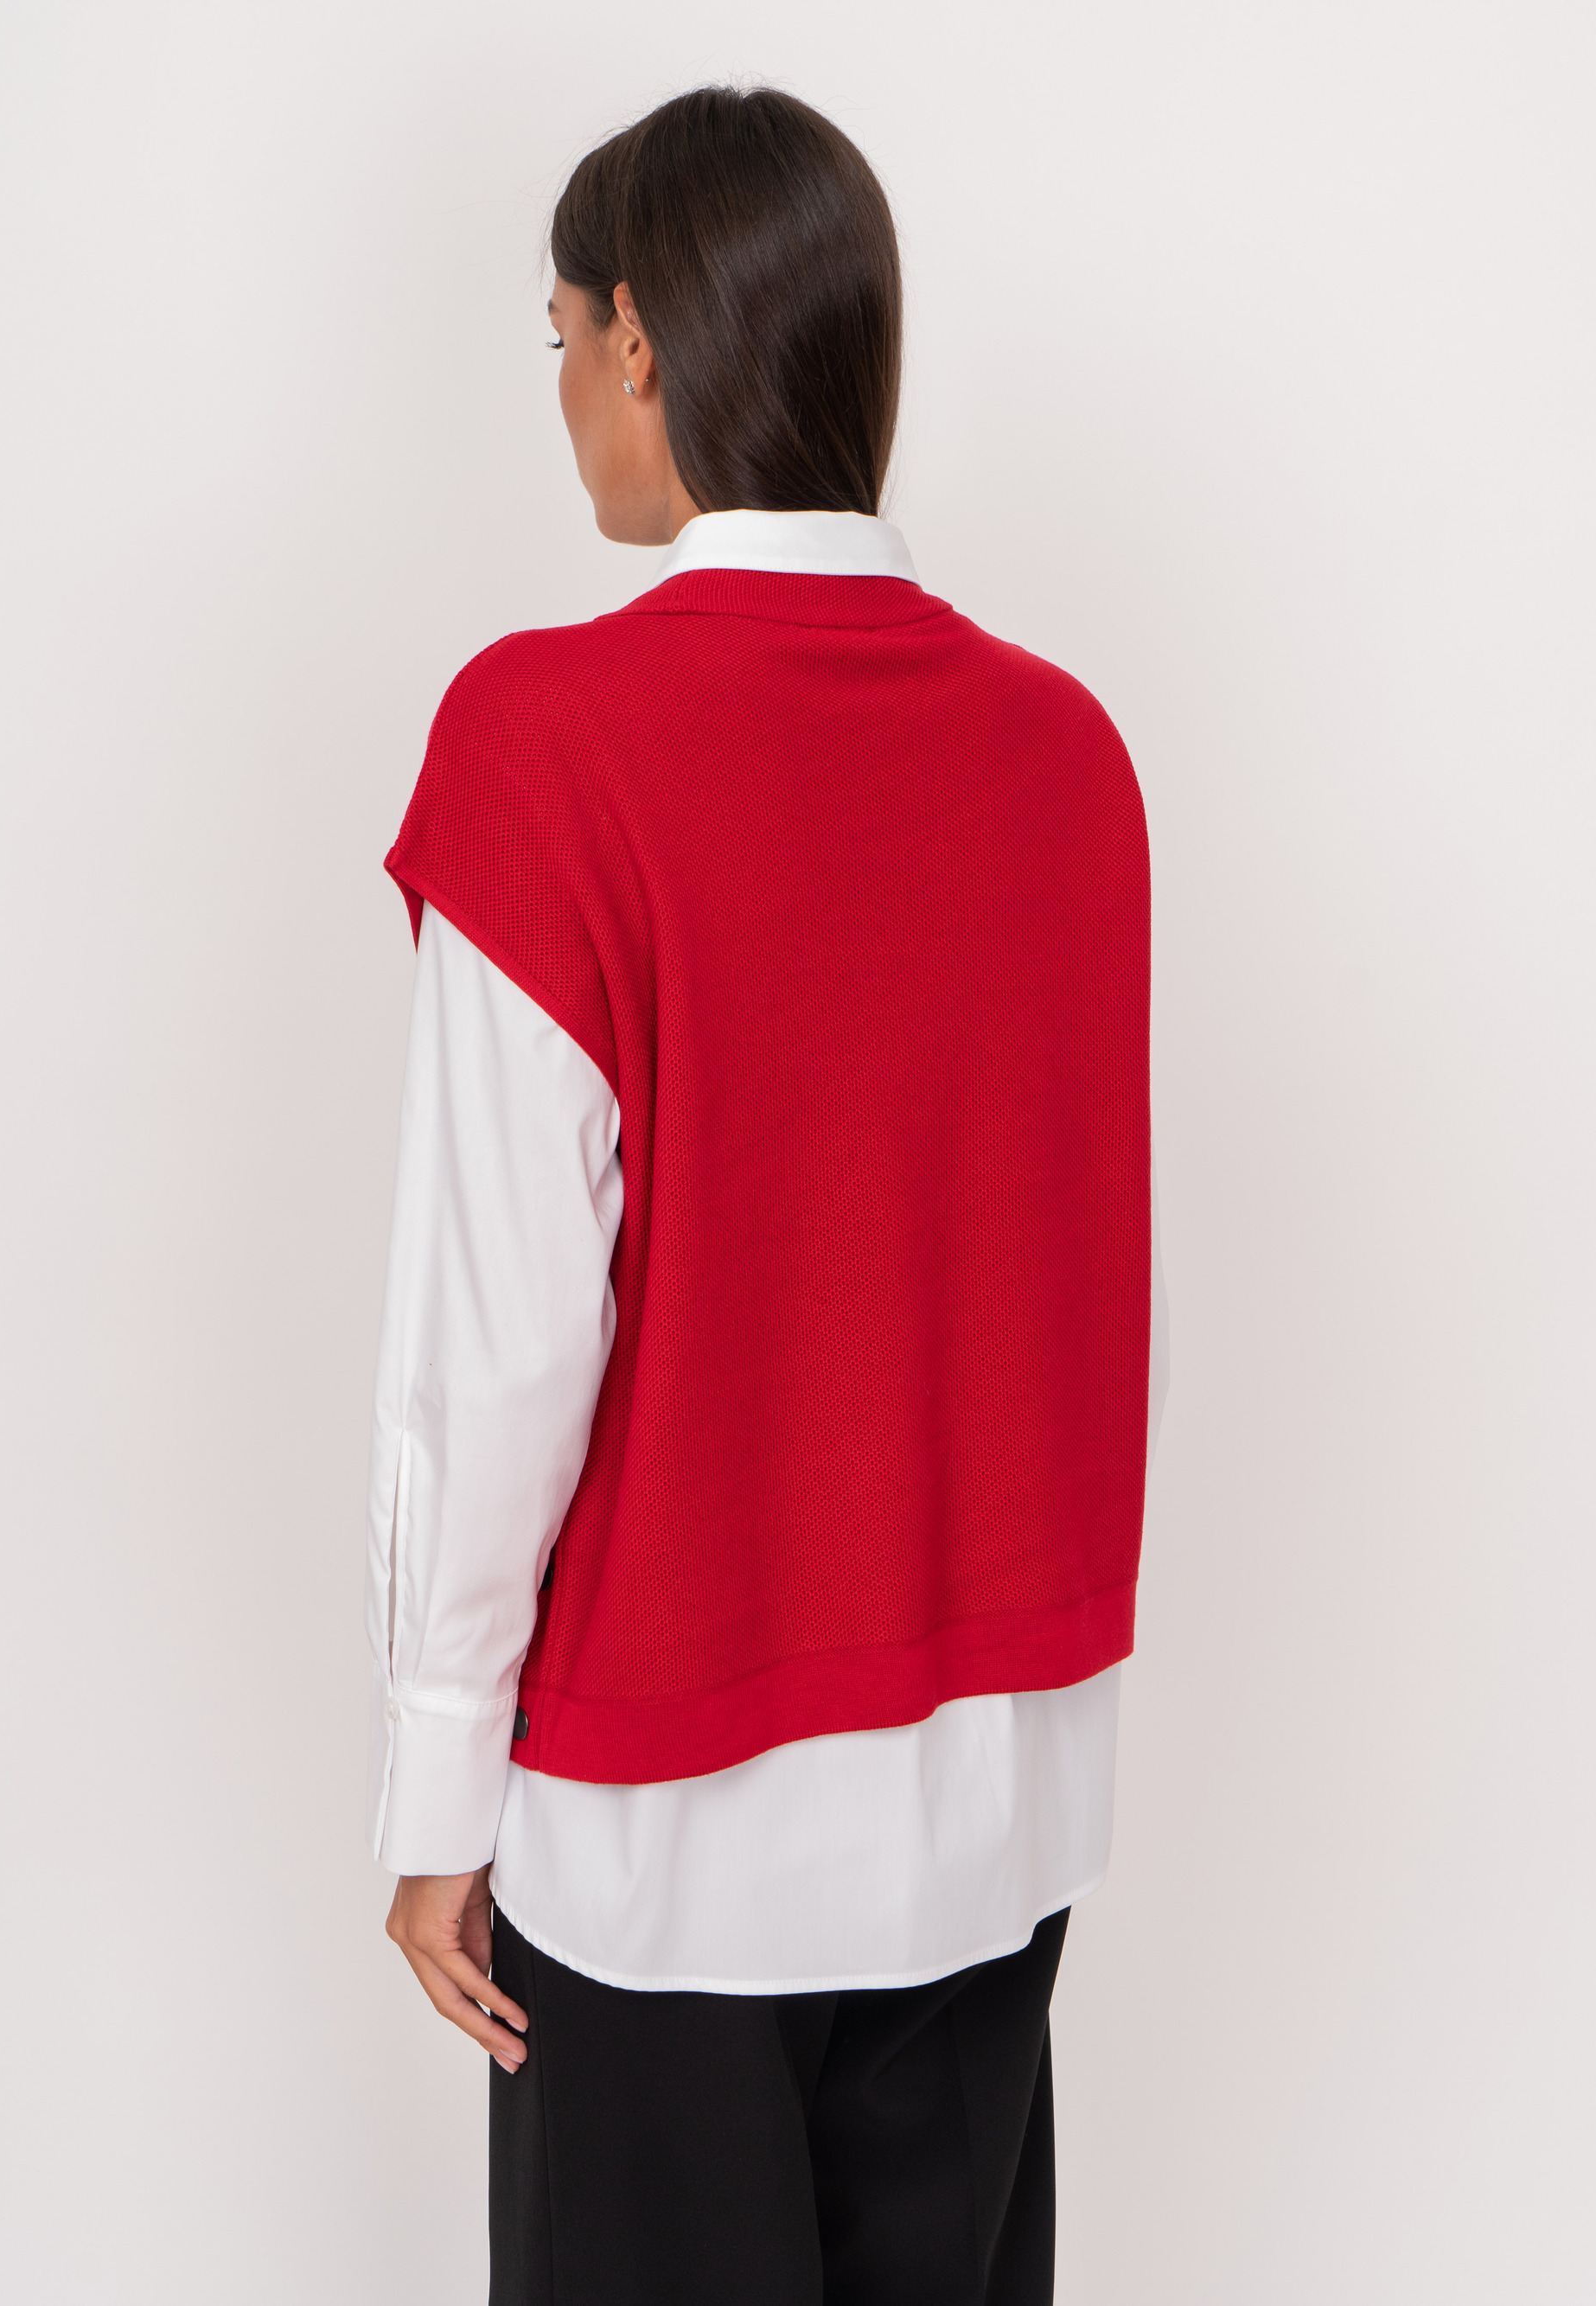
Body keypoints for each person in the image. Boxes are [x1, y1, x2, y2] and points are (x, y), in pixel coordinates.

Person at [367, 85, 1163, 2306]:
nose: (562, 396)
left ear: (640, 337)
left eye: (558, 340)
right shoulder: (1067, 753)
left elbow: (498, 1334)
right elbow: (1075, 1272)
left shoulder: (548, 744)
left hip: (664, 1840)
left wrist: (435, 1797)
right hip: (993, 1806)